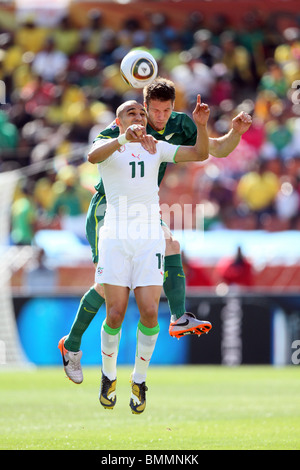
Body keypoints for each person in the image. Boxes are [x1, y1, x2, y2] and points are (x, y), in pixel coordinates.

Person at [58, 78, 252, 383]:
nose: (160, 117)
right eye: (154, 111)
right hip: (108, 210)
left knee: (172, 244)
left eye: (166, 110)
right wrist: (125, 136)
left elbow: (215, 150)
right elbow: (94, 155)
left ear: (173, 108)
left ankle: (178, 316)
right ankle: (71, 345)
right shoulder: (120, 127)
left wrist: (236, 133)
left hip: (145, 213)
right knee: (105, 289)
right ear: (144, 108)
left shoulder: (178, 126)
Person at [91, 97, 210, 413]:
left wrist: (200, 125)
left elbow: (200, 153)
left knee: (147, 313)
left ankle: (139, 380)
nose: (139, 115)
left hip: (148, 240)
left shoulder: (156, 146)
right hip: (115, 238)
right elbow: (92, 156)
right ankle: (108, 376)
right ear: (118, 121)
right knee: (114, 313)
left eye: (142, 112)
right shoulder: (108, 142)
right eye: (131, 112)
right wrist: (121, 139)